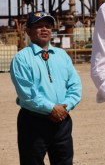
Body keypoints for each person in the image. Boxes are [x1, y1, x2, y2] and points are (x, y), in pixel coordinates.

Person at [10, 11, 82, 165]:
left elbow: (75, 85)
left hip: (62, 121)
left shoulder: (62, 56)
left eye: (48, 26)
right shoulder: (21, 58)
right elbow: (27, 94)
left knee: (64, 161)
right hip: (34, 122)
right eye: (39, 26)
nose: (44, 29)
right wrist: (51, 108)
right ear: (28, 31)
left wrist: (66, 106)